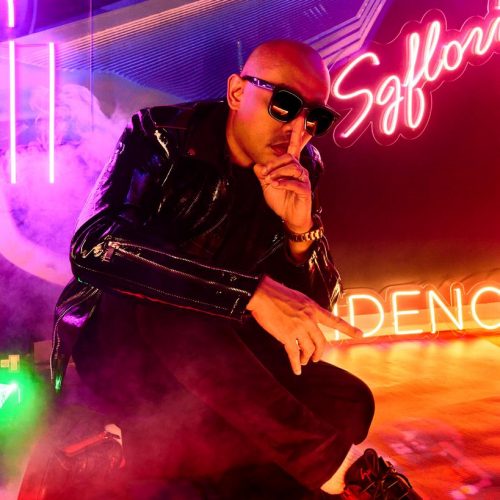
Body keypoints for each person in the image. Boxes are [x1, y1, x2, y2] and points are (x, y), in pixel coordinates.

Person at [21, 40, 421, 499]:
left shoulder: (302, 166)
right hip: (127, 346)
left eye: (316, 119)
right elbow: (93, 245)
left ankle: (142, 450)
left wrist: (300, 231)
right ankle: (329, 466)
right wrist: (248, 292)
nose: (298, 131)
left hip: (221, 364)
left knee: (349, 402)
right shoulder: (161, 136)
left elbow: (311, 314)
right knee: (177, 310)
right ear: (236, 92)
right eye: (285, 105)